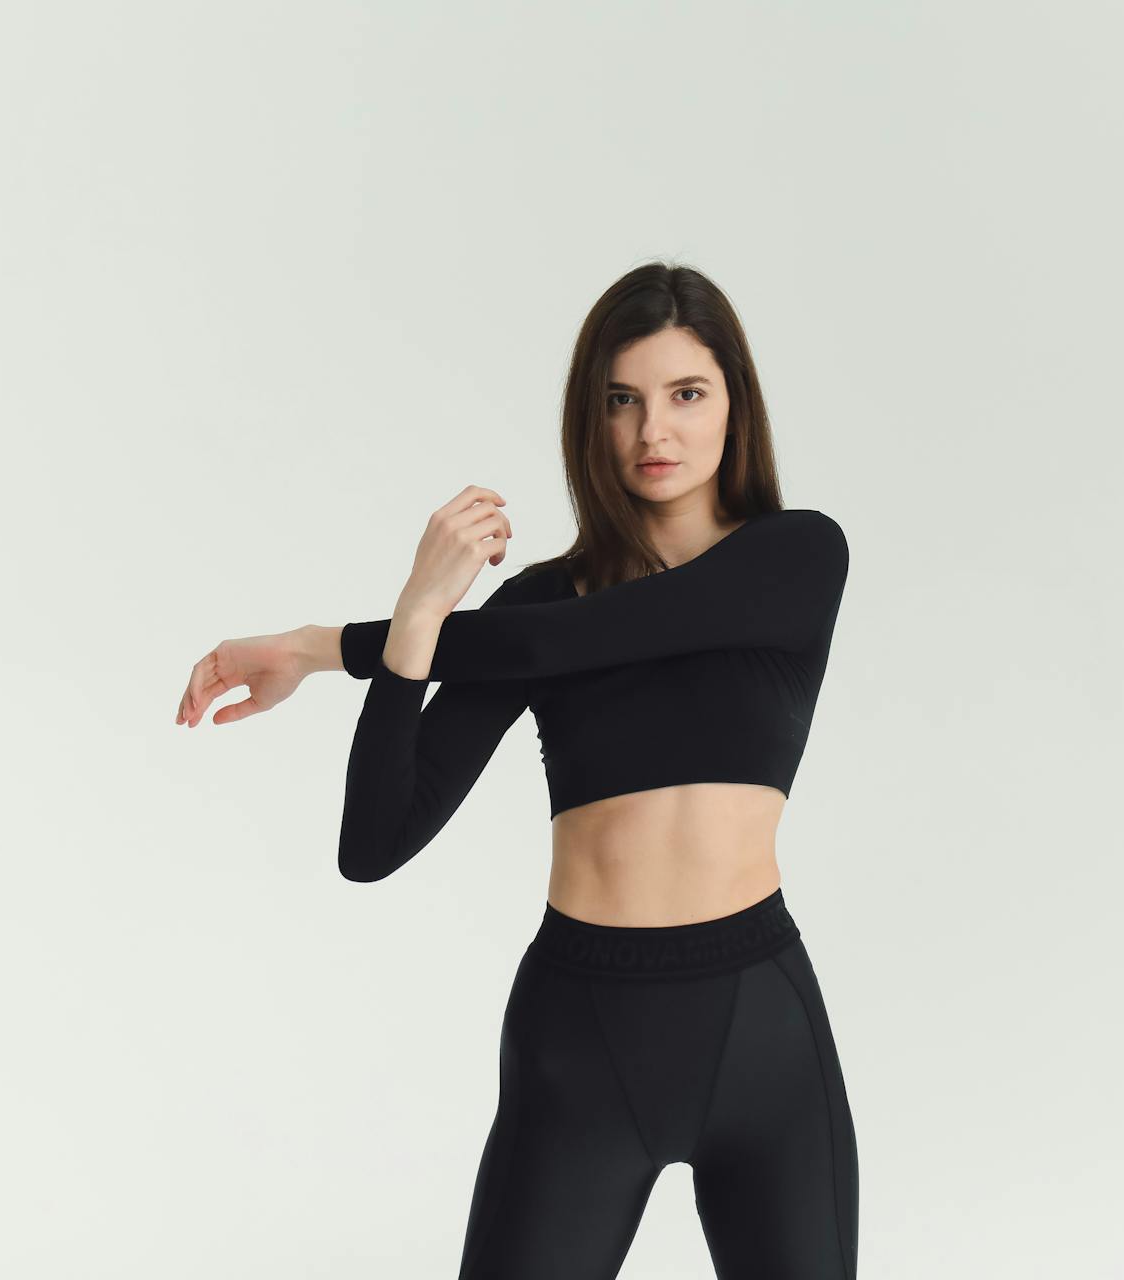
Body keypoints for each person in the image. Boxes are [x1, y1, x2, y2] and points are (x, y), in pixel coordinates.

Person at [174, 263, 858, 1278]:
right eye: (622, 399)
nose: (653, 432)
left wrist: (324, 644)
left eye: (686, 394)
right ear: (592, 416)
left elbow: (588, 639)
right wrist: (414, 621)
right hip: (583, 1035)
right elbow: (375, 843)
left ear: (734, 405)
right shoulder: (536, 605)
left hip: (762, 1028)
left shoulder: (796, 559)